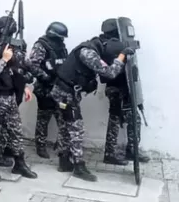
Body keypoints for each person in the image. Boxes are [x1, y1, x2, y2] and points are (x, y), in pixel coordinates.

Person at [52, 25, 134, 181]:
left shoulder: (89, 47)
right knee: (77, 129)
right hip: (66, 94)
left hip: (63, 92)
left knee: (64, 127)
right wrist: (121, 57)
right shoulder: (88, 53)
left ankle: (64, 162)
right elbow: (110, 73)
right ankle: (78, 166)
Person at [0, 18, 37, 182]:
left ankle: (20, 163)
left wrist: (22, 86)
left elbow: (14, 71)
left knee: (16, 131)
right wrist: (3, 59)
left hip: (10, 96)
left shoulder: (4, 48)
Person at [98, 19, 150, 165]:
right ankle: (110, 153)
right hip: (117, 88)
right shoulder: (110, 45)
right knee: (115, 119)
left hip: (123, 87)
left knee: (131, 118)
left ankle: (130, 150)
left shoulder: (107, 44)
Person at [26, 22, 69, 160]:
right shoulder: (41, 45)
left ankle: (62, 146)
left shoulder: (61, 46)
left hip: (59, 88)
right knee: (43, 119)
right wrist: (47, 78)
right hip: (45, 88)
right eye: (59, 37)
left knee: (62, 118)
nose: (61, 40)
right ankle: (40, 146)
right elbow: (32, 65)